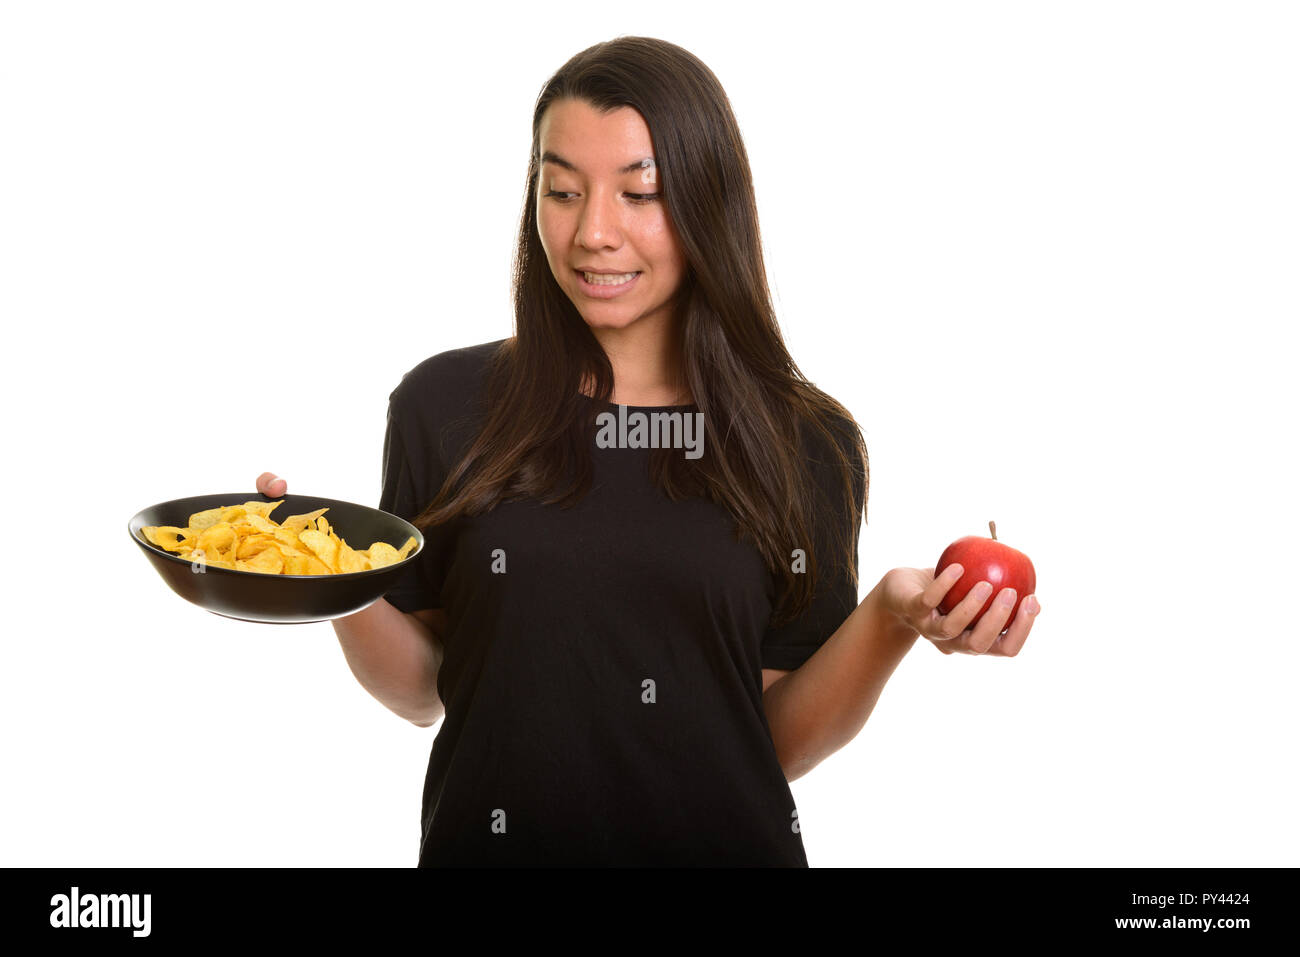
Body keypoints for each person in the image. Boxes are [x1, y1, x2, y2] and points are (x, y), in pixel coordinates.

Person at [256, 36, 1040, 867]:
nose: (593, 232)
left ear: (709, 203)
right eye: (561, 190)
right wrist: (330, 581)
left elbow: (775, 741)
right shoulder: (442, 407)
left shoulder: (807, 441)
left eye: (641, 193)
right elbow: (422, 690)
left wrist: (889, 616)